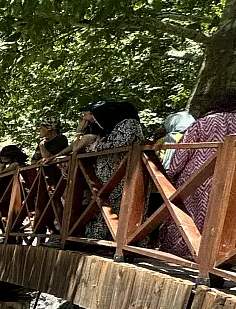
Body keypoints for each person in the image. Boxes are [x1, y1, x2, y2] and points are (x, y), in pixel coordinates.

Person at [158, 100, 236, 258]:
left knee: (190, 217)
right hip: (232, 178)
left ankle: (190, 252)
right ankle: (224, 257)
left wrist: (170, 174)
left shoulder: (204, 122)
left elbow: (179, 157)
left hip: (198, 179)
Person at [72, 100, 144, 240]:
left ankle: (120, 241)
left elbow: (118, 144)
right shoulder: (113, 127)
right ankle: (105, 239)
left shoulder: (129, 124)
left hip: (121, 178)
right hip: (110, 179)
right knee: (105, 208)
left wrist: (94, 147)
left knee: (119, 209)